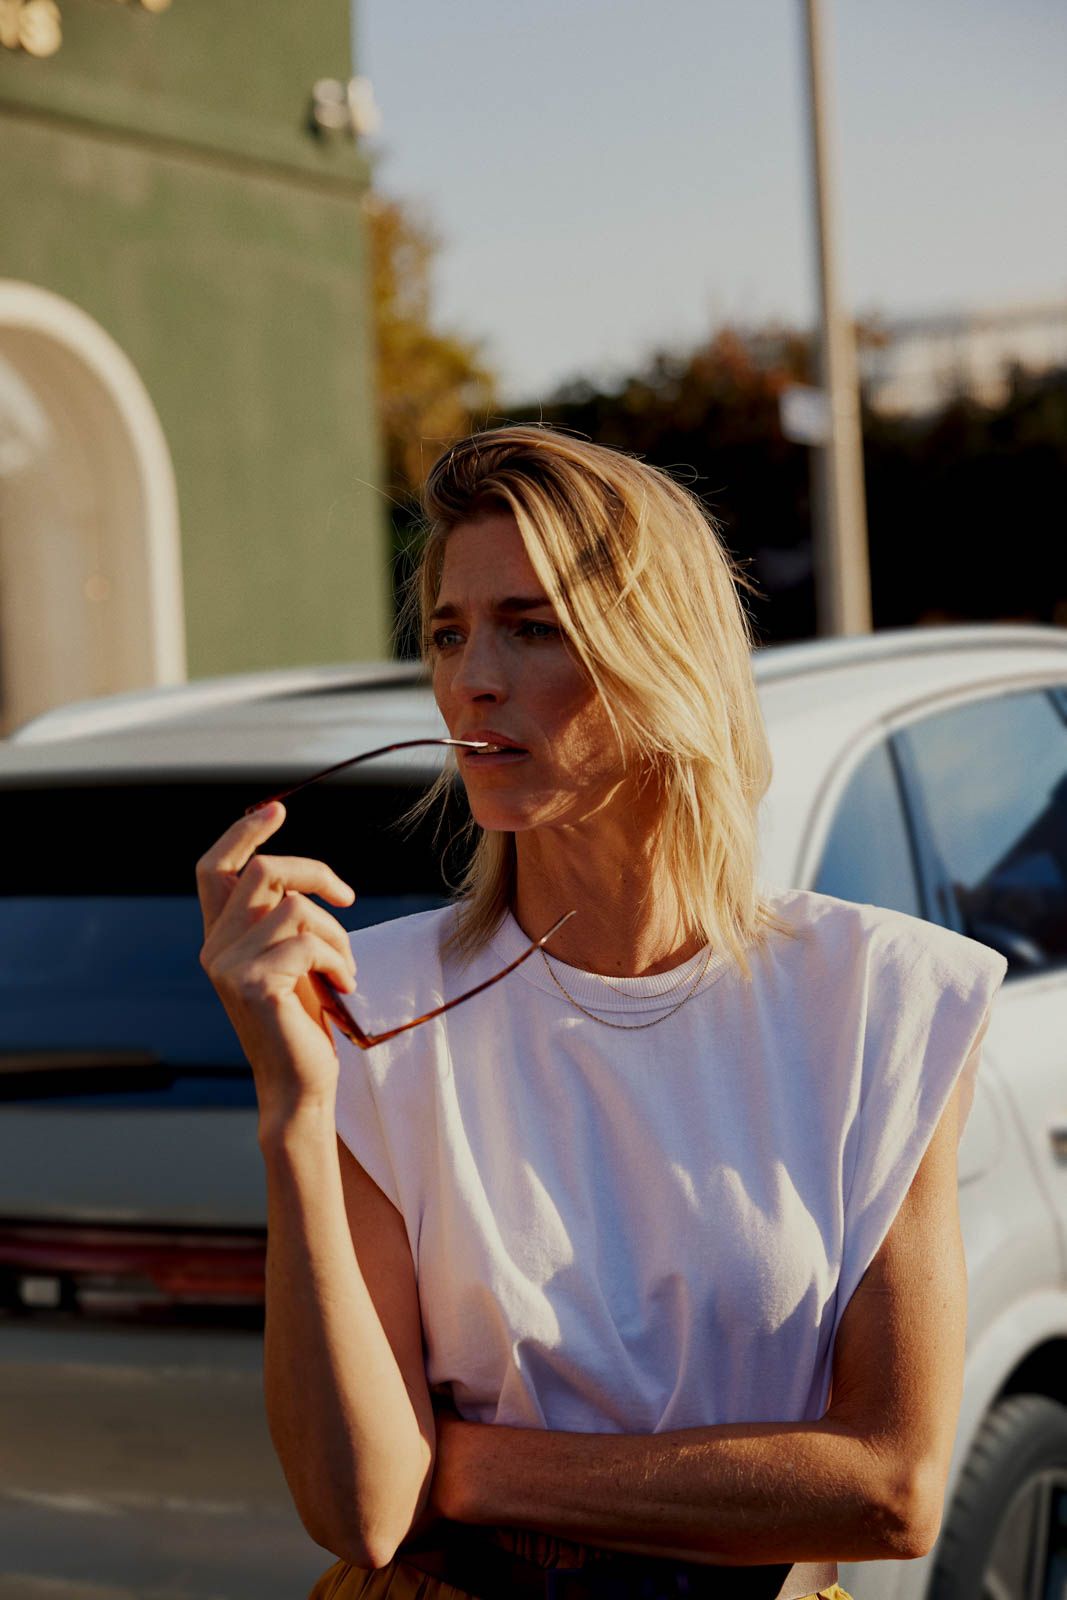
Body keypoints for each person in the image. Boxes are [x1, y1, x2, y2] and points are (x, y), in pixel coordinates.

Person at [196, 425, 1008, 1600]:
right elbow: (365, 1506)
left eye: (531, 627)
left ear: (659, 656)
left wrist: (467, 1467)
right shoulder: (363, 1004)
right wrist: (289, 1106)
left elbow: (889, 1486)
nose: (471, 676)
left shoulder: (879, 995)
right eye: (447, 632)